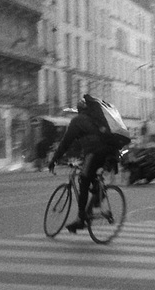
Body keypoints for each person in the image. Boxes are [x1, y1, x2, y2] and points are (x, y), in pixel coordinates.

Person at [48, 94, 121, 233]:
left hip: (95, 153)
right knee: (91, 176)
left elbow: (66, 143)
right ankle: (99, 194)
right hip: (109, 152)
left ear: (79, 110)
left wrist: (54, 159)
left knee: (83, 180)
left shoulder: (78, 121)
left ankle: (81, 219)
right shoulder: (97, 120)